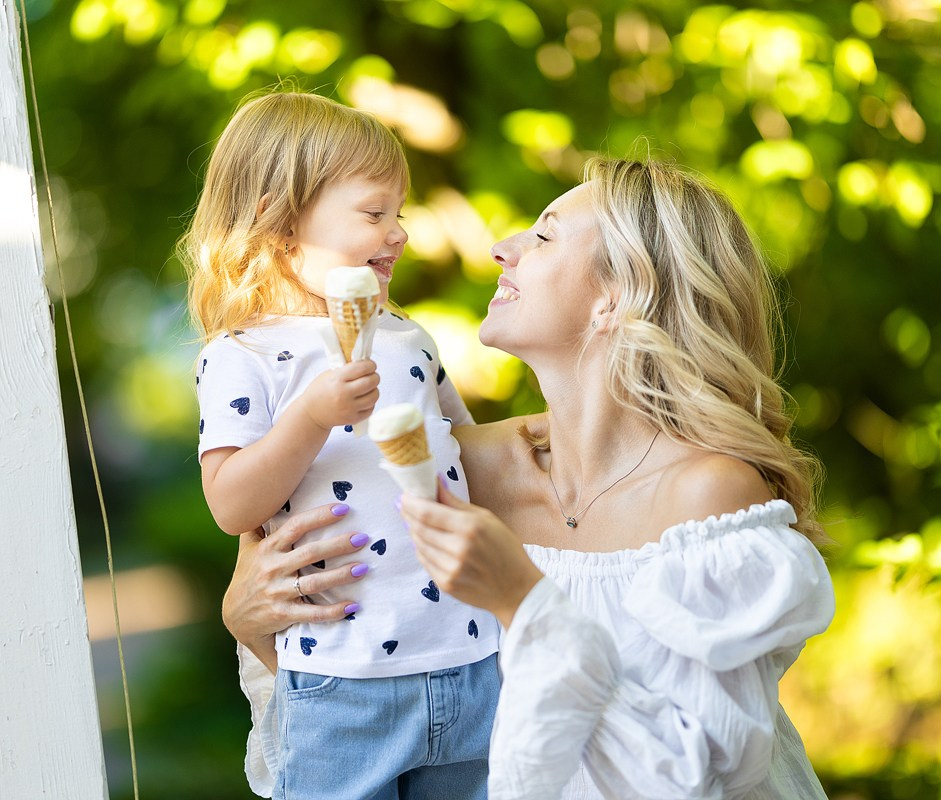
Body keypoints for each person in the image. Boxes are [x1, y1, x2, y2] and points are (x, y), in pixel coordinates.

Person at [223, 155, 834, 799]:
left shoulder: (708, 493)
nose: (501, 248)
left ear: (615, 298)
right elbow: (361, 683)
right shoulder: (456, 471)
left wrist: (522, 600)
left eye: (542, 236)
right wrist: (250, 621)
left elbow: (701, 776)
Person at [186, 90, 499, 800]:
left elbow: (474, 455)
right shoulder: (244, 354)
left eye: (401, 214)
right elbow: (233, 504)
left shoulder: (408, 338)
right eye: (373, 213)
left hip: (471, 652)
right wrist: (312, 416)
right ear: (279, 220)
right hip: (343, 676)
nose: (399, 234)